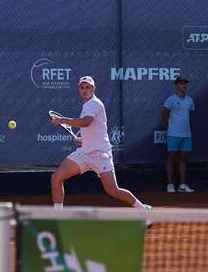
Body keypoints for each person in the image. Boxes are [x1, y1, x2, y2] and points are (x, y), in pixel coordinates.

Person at [50, 75, 152, 213]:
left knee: (113, 190)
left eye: (88, 87)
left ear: (94, 88)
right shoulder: (87, 105)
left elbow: (86, 122)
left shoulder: (95, 103)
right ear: (79, 90)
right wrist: (83, 140)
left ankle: (143, 209)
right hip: (84, 153)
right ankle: (58, 214)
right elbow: (91, 128)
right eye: (82, 87)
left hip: (100, 154)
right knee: (57, 177)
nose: (85, 90)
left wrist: (62, 120)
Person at [161, 75, 195, 193]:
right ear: (176, 85)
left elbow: (190, 115)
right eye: (181, 83)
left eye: (185, 83)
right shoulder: (170, 99)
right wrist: (167, 129)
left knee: (183, 159)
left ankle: (182, 185)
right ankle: (170, 184)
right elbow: (164, 115)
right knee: (170, 158)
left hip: (186, 134)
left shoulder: (190, 100)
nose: (183, 85)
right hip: (173, 133)